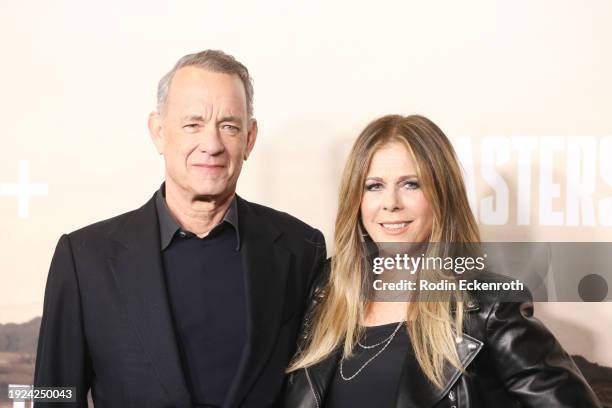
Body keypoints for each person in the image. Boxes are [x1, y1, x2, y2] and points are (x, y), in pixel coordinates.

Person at [34, 50, 326, 408]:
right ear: (158, 132)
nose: (212, 144)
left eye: (229, 126)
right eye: (193, 124)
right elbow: (54, 396)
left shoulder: (301, 248)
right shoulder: (84, 260)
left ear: (249, 138)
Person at [283, 115, 601, 407]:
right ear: (357, 199)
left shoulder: (488, 306)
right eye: (374, 186)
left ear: (442, 196)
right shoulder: (325, 289)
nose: (390, 203)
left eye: (411, 184)